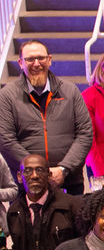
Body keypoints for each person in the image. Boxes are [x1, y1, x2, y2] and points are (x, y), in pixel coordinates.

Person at [0, 40, 93, 193]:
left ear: (49, 60)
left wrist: (64, 168)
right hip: (28, 184)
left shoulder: (70, 91)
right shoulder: (7, 96)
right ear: (20, 63)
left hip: (69, 181)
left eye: (41, 58)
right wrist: (38, 170)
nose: (36, 64)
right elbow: (5, 139)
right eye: (30, 59)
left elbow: (85, 133)